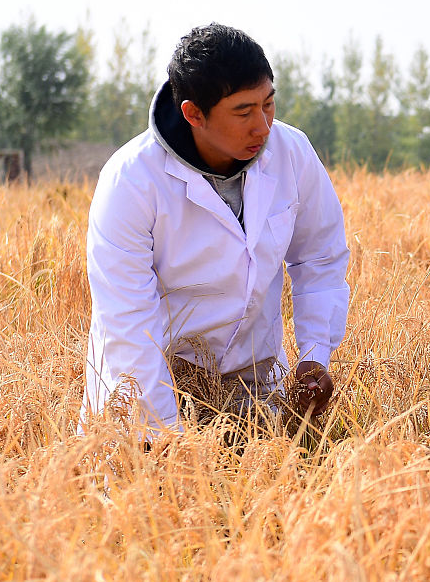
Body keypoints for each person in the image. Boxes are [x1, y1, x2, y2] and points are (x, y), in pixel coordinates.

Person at [82, 24, 350, 437]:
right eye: (243, 112)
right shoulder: (132, 181)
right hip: (154, 383)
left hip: (256, 387)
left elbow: (320, 257)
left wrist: (315, 355)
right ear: (194, 114)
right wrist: (162, 434)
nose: (262, 126)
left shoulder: (291, 152)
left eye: (269, 104)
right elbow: (128, 319)